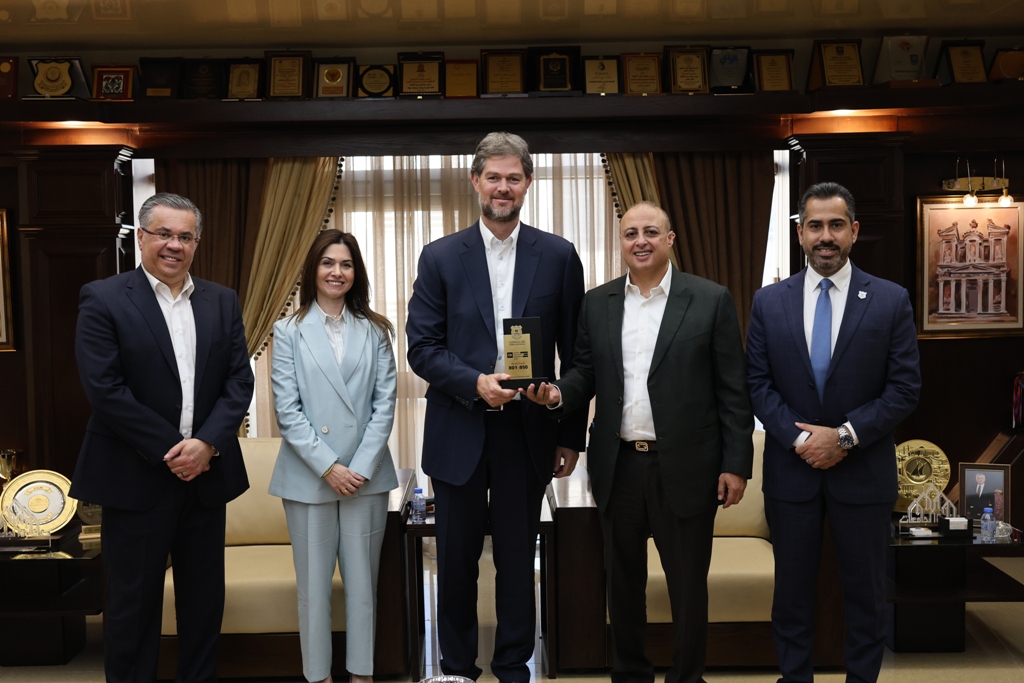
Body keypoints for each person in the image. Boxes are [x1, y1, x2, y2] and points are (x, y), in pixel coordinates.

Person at [523, 201, 753, 683]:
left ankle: (686, 678)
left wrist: (736, 464)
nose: (640, 241)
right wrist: (558, 394)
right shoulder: (598, 302)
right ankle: (630, 675)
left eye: (651, 232)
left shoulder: (710, 299)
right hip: (619, 465)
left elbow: (733, 390)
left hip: (687, 467)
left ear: (670, 239)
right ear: (621, 242)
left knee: (687, 587)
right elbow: (584, 371)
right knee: (622, 586)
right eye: (630, 233)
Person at [406, 131, 586, 682]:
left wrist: (568, 433)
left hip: (528, 431)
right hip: (458, 428)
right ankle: (457, 669)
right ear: (475, 181)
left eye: (513, 178)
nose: (502, 187)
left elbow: (578, 355)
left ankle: (513, 667)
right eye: (493, 177)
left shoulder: (559, 256)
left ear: (528, 183)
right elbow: (422, 348)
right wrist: (475, 383)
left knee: (516, 560)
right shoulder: (440, 257)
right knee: (456, 560)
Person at [71, 192, 254, 683]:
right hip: (135, 477)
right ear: (141, 237)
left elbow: (240, 382)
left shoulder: (222, 300)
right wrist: (173, 450)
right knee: (132, 610)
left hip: (206, 477)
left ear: (197, 242)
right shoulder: (104, 297)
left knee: (203, 604)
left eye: (185, 236)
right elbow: (105, 390)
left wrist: (206, 444)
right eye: (164, 234)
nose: (175, 245)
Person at [746, 182, 921, 683]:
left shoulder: (890, 300)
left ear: (854, 231)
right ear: (800, 234)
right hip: (792, 474)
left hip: (863, 475)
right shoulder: (768, 302)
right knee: (791, 596)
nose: (826, 236)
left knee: (866, 596)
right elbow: (757, 384)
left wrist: (842, 437)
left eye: (836, 225)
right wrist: (804, 440)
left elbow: (904, 389)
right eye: (816, 226)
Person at [269, 230, 399, 683]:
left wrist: (355, 469)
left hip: (366, 477)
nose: (336, 272)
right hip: (309, 477)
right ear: (313, 269)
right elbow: (288, 411)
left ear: (355, 272)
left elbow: (385, 406)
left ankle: (362, 676)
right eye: (328, 263)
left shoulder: (377, 330)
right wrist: (329, 466)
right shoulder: (287, 330)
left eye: (346, 264)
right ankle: (318, 677)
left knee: (363, 587)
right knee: (313, 591)